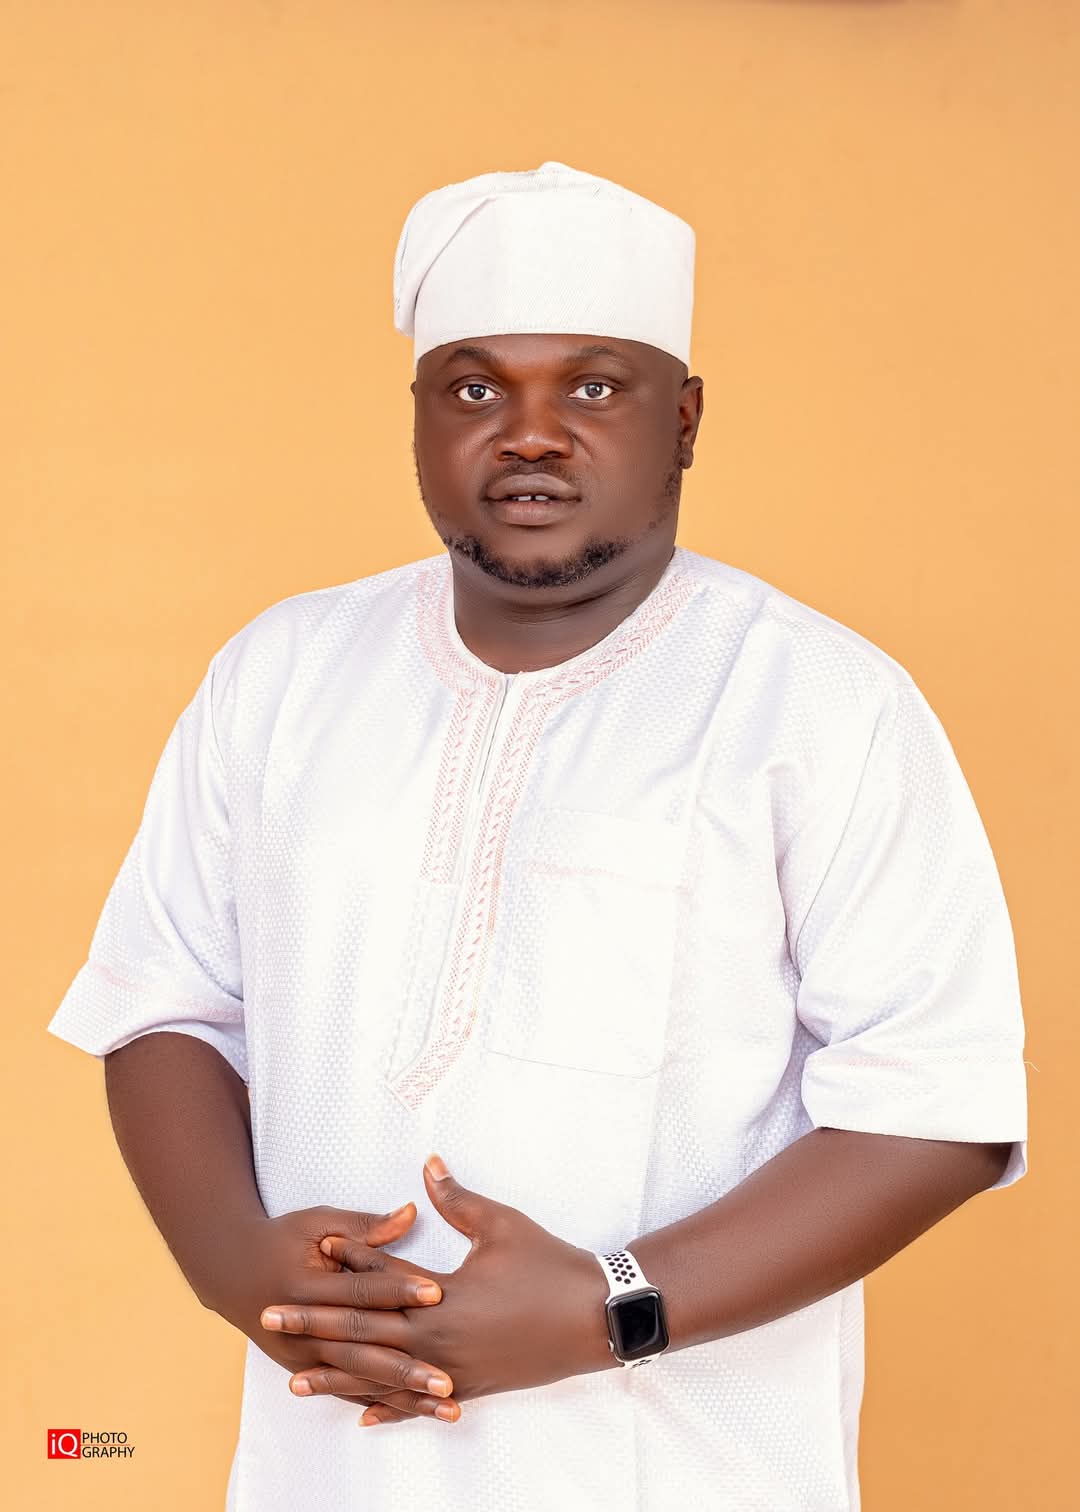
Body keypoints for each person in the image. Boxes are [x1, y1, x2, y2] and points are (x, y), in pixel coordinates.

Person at [47, 160, 1028, 1512]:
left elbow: (937, 1108)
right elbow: (165, 1000)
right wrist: (233, 1263)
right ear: (415, 419)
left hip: (684, 1473)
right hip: (327, 1472)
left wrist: (611, 1306)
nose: (530, 435)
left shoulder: (818, 702)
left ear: (684, 420)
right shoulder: (280, 674)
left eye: (596, 387)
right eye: (473, 390)